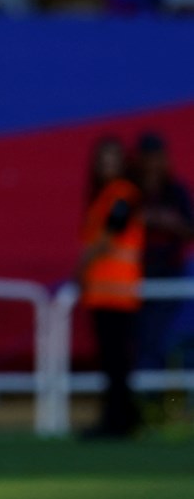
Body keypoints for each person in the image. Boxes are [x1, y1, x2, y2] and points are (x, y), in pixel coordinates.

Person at [77, 136, 143, 438]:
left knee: (116, 362)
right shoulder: (107, 195)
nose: (108, 166)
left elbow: (108, 236)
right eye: (104, 159)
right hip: (105, 292)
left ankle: (117, 421)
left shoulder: (122, 193)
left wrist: (81, 267)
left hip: (115, 292)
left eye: (113, 159)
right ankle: (123, 418)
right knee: (113, 361)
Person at [133, 132, 194, 371]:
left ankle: (155, 399)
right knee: (143, 339)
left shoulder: (175, 191)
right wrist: (140, 220)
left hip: (170, 274)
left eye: (158, 156)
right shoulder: (129, 191)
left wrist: (170, 222)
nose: (153, 163)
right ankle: (147, 398)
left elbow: (190, 230)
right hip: (134, 276)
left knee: (159, 339)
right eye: (148, 157)